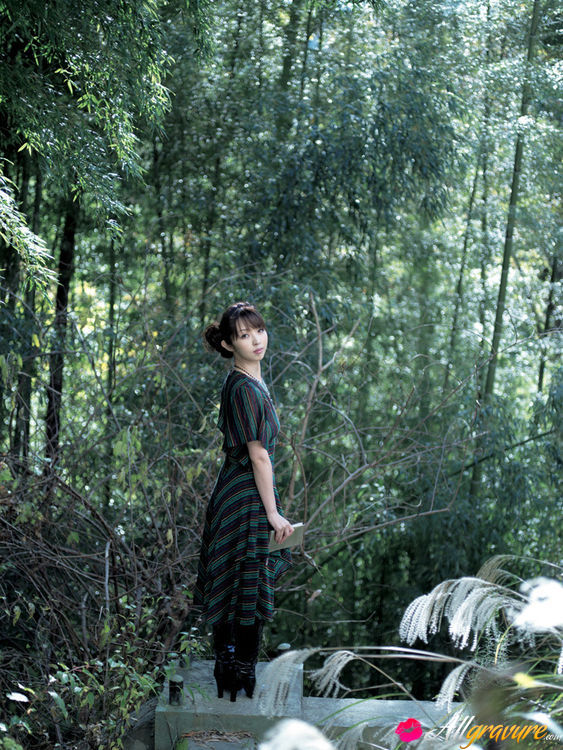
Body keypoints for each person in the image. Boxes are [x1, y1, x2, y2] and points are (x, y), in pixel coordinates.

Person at [194, 301, 294, 702]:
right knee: (248, 579)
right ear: (228, 344)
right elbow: (259, 455)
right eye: (244, 335)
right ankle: (238, 669)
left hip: (239, 490)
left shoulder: (247, 381)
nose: (256, 340)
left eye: (259, 330)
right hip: (246, 496)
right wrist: (273, 512)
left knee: (238, 578)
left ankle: (233, 668)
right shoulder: (243, 387)